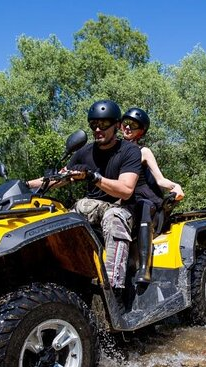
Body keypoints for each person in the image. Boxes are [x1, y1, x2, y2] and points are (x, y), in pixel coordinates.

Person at [28, 100, 142, 290]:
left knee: (113, 217)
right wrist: (25, 184)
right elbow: (60, 178)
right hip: (93, 208)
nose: (98, 129)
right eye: (94, 125)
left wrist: (92, 177)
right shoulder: (84, 152)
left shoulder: (129, 151)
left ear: (116, 125)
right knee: (61, 217)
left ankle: (114, 289)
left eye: (104, 125)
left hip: (123, 208)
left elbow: (126, 189)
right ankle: (59, 281)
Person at [120, 107, 184, 284]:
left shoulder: (144, 152)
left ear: (140, 132)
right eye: (125, 123)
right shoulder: (115, 152)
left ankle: (144, 268)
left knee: (143, 206)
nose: (127, 128)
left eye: (133, 125)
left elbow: (161, 180)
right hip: (125, 202)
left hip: (147, 203)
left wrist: (175, 186)